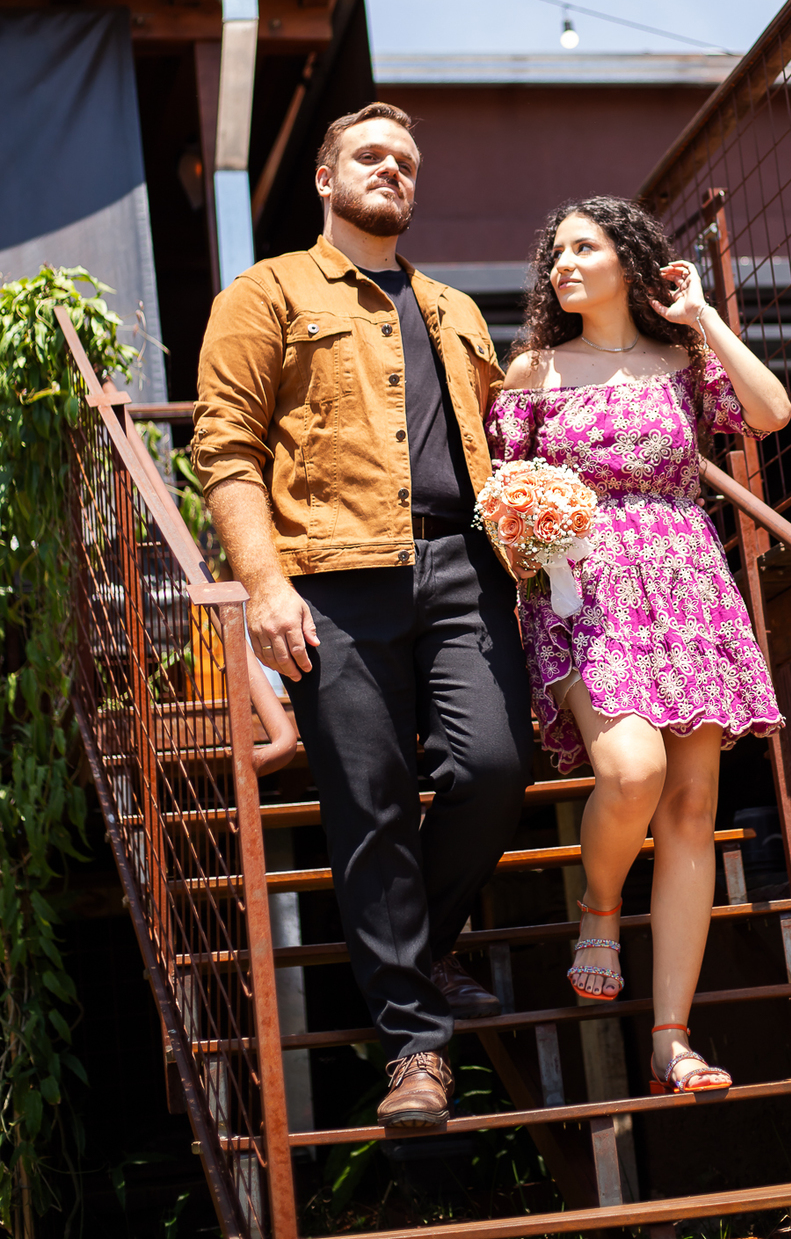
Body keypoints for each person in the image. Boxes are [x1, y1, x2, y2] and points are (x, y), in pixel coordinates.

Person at [192, 101, 532, 1132]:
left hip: (465, 568)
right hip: (335, 577)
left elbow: (504, 430)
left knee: (493, 768)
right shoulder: (267, 293)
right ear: (325, 179)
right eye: (371, 156)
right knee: (371, 803)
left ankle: (419, 950)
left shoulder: (455, 309)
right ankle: (416, 1051)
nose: (392, 171)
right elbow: (226, 448)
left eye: (406, 162)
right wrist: (263, 585)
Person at [485, 195, 791, 1095]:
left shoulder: (683, 359)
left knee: (692, 807)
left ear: (630, 260)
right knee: (630, 773)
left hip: (687, 585)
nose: (562, 265)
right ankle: (600, 905)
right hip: (585, 591)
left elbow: (770, 412)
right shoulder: (534, 372)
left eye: (583, 248)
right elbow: (502, 496)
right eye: (555, 253)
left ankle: (672, 1042)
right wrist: (533, 544)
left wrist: (702, 318)